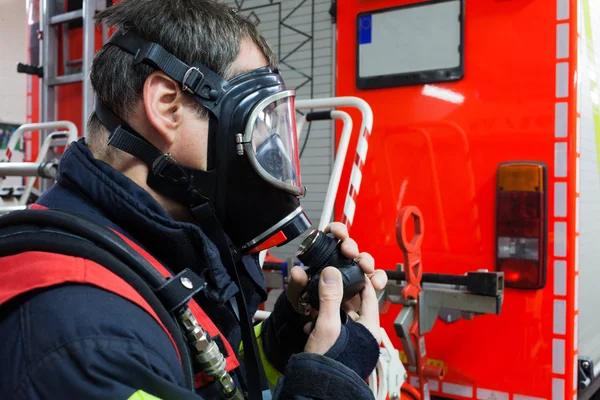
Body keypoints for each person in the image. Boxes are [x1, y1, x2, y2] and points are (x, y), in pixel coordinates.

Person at [0, 1, 388, 399]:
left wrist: (285, 336)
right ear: (167, 106)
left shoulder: (140, 252)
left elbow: (209, 376)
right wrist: (327, 387)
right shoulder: (84, 341)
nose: (267, 153)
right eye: (251, 124)